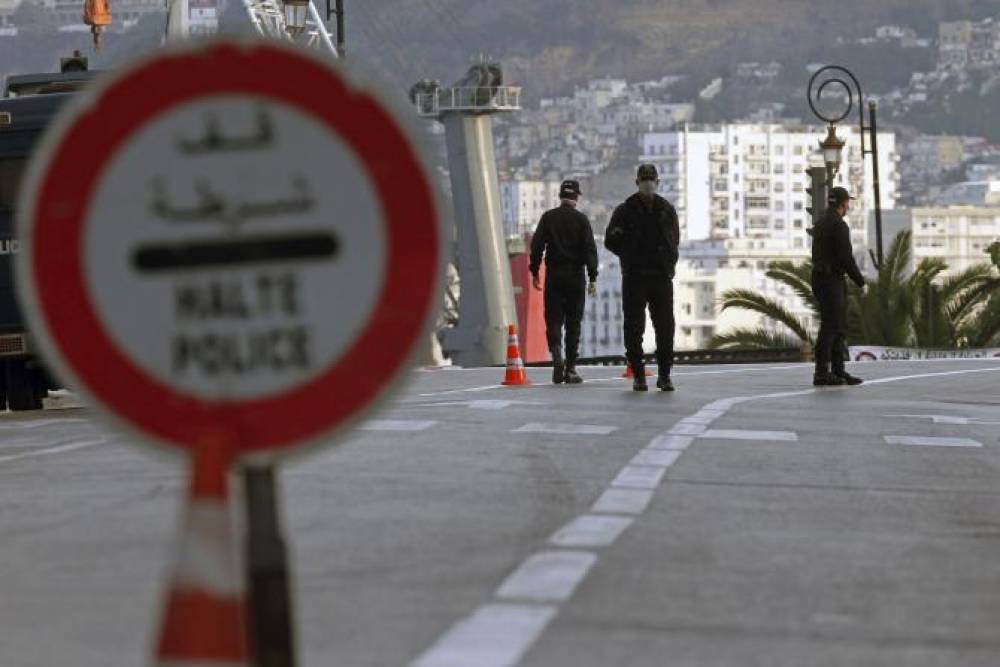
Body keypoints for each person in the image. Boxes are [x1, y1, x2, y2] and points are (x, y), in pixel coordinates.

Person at [605, 164, 679, 392]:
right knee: (634, 328)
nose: (648, 183)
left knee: (665, 327)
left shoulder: (666, 209)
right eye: (644, 179)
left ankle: (664, 375)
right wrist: (629, 254)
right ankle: (639, 375)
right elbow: (611, 241)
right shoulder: (625, 210)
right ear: (637, 182)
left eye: (651, 179)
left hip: (660, 277)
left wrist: (667, 261)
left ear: (657, 182)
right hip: (635, 277)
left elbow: (674, 239)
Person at [529, 179, 599, 384]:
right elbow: (590, 250)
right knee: (573, 323)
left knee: (553, 319)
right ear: (576, 197)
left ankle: (557, 355)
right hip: (576, 277)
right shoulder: (582, 220)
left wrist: (534, 271)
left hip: (555, 276)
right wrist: (592, 277)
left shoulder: (548, 218)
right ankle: (570, 369)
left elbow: (536, 246)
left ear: (560, 196)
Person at [810, 186, 866, 387]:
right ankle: (823, 372)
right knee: (832, 327)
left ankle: (837, 371)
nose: (848, 206)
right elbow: (845, 258)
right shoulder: (839, 225)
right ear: (843, 203)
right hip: (831, 279)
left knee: (836, 325)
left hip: (820, 277)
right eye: (848, 202)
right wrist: (860, 280)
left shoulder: (821, 223)